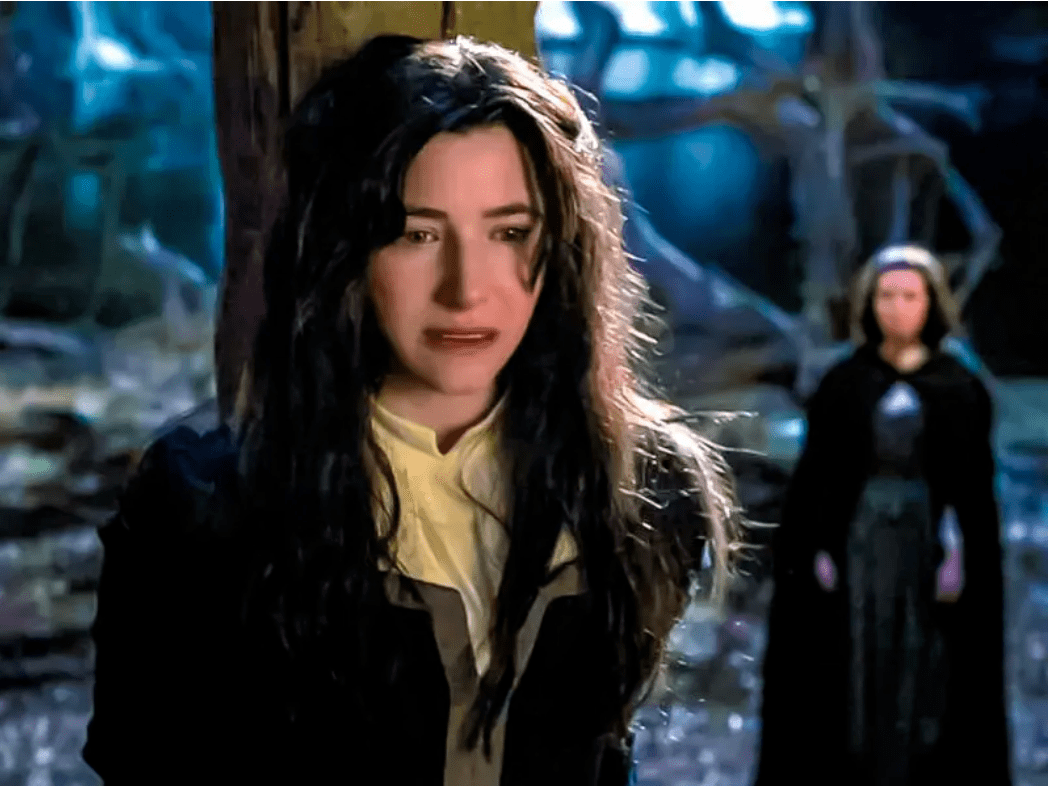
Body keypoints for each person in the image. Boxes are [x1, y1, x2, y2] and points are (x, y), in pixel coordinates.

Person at [82, 35, 743, 786]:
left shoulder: (644, 489)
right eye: (417, 234)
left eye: (509, 233)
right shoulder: (201, 508)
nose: (466, 289)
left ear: (559, 249)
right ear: (348, 250)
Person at [754, 243, 1011, 786]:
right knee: (855, 655)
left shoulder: (957, 387)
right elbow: (819, 480)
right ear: (869, 304)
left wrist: (957, 550)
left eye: (909, 296)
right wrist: (819, 545)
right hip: (860, 540)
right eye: (886, 296)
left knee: (923, 658)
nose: (897, 308)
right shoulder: (846, 384)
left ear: (931, 303)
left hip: (924, 541)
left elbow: (969, 488)